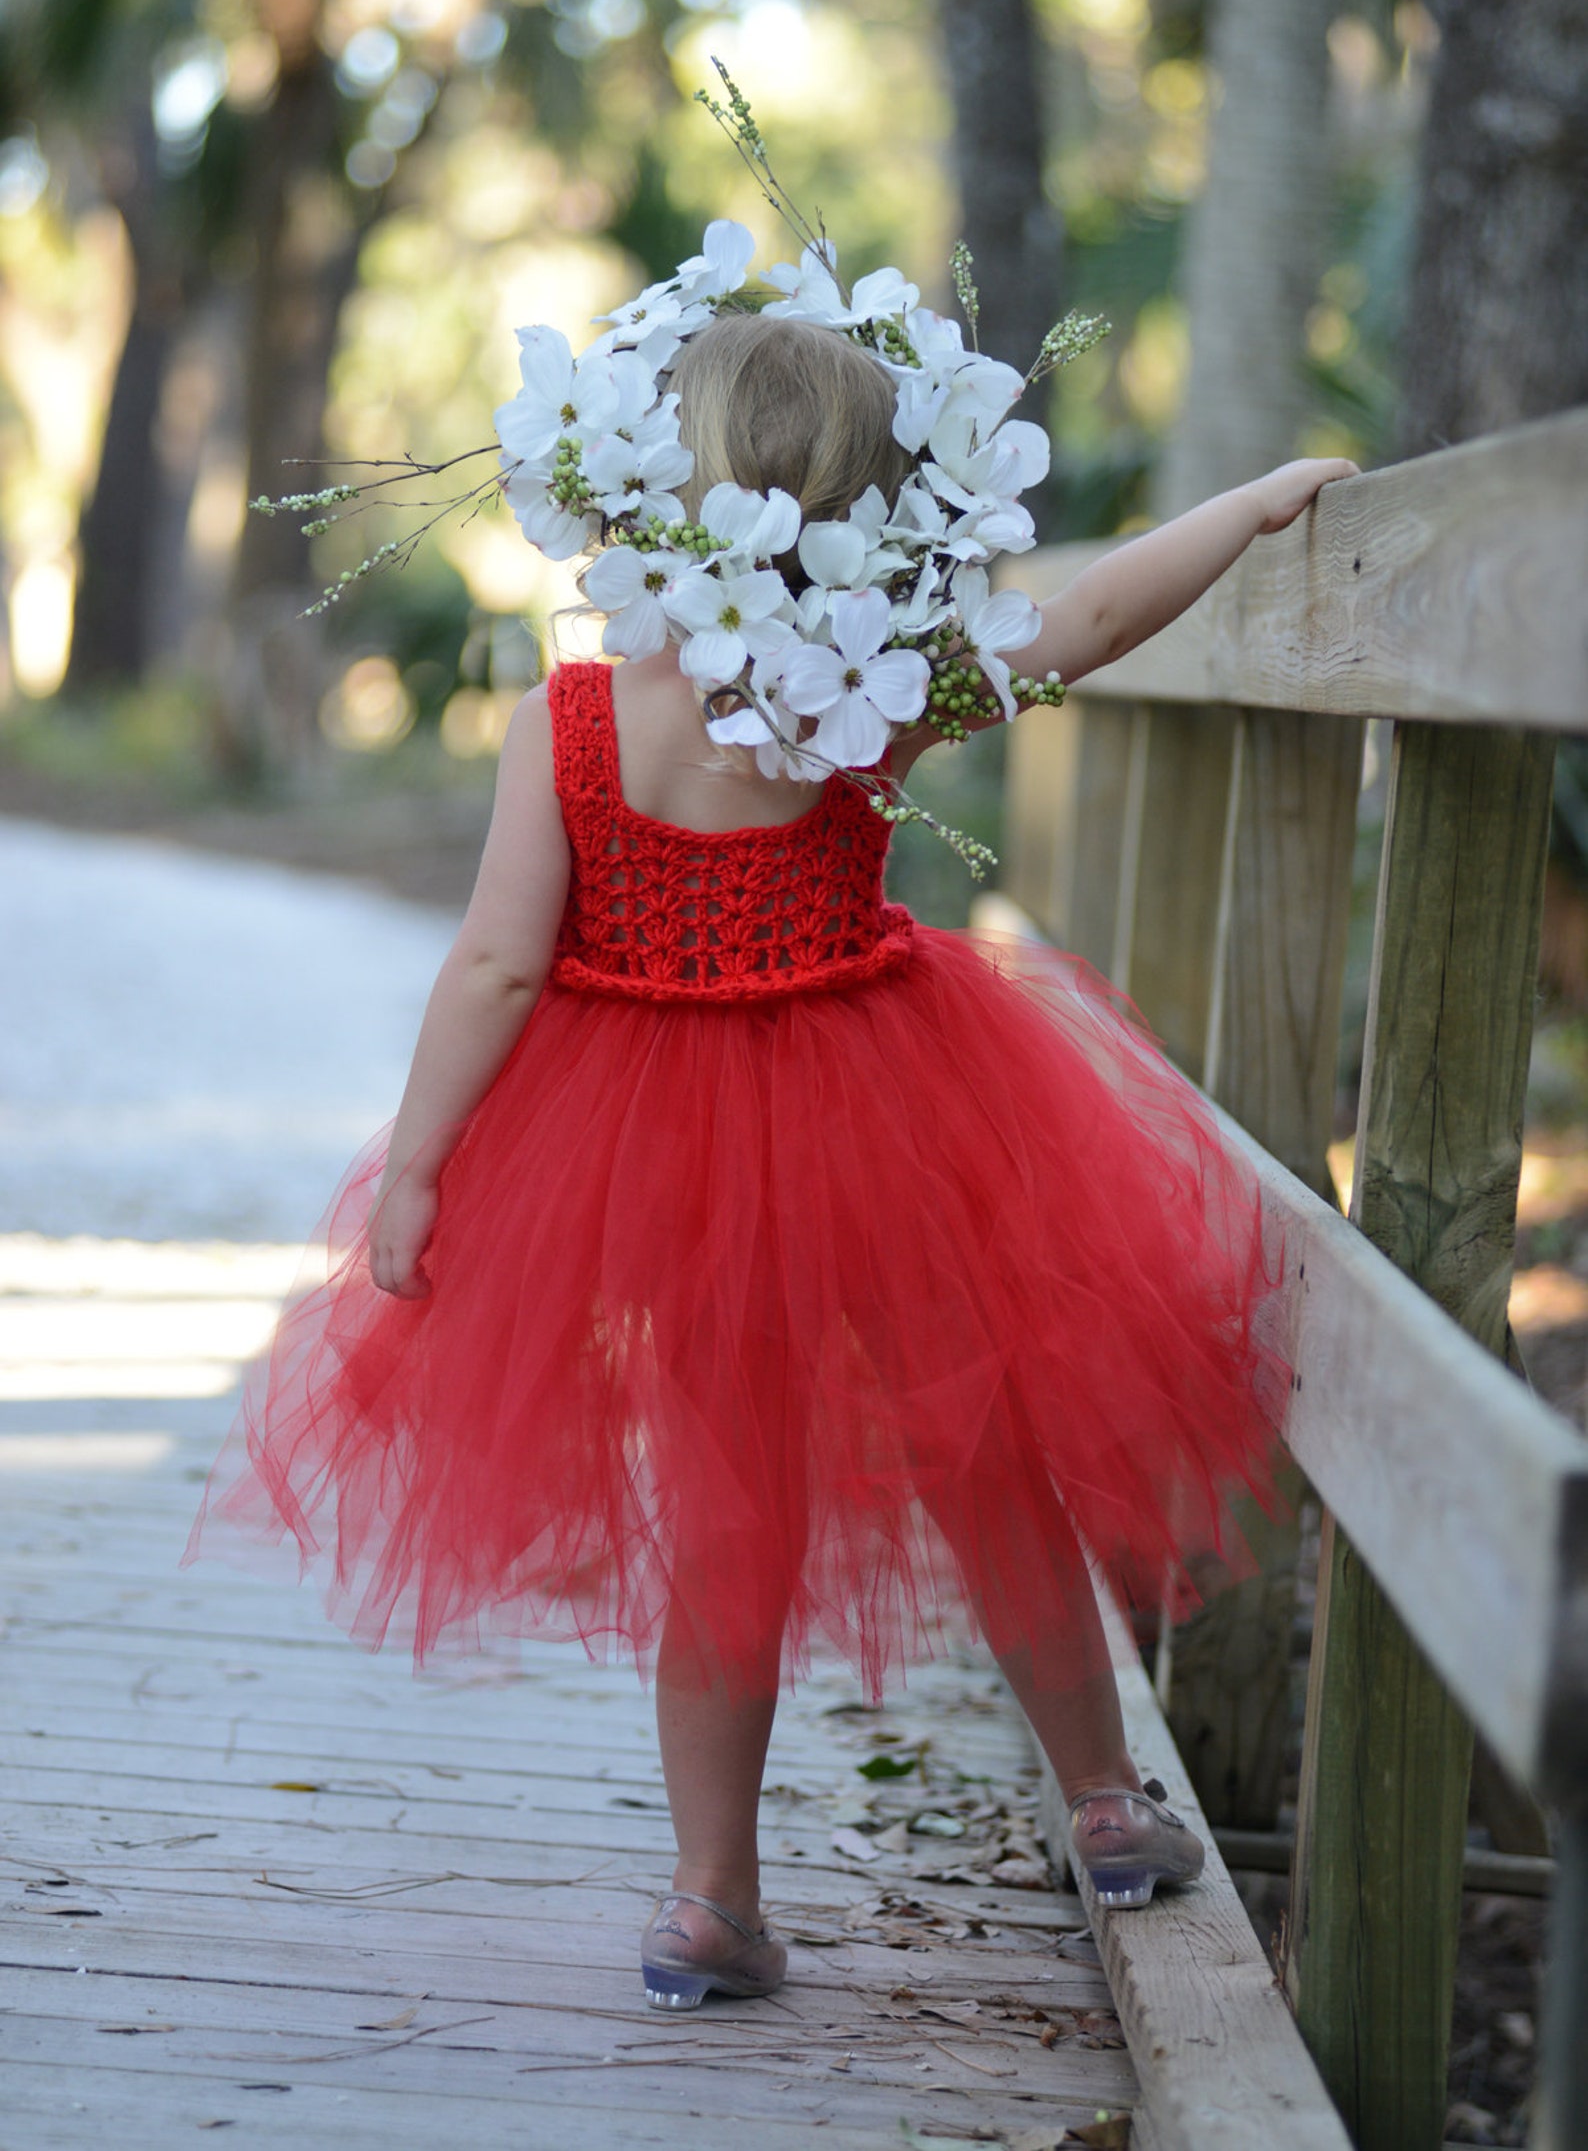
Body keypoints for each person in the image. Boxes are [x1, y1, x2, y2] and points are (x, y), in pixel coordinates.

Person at [188, 304, 1358, 2013]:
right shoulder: (862, 689)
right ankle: (1108, 1805)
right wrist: (1251, 504)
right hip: (885, 1111)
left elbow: (499, 962)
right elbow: (1090, 621)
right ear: (879, 498)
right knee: (987, 1464)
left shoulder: (575, 722)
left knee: (726, 1510)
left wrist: (429, 1165)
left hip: (653, 1149)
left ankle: (711, 1903)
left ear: (657, 484)